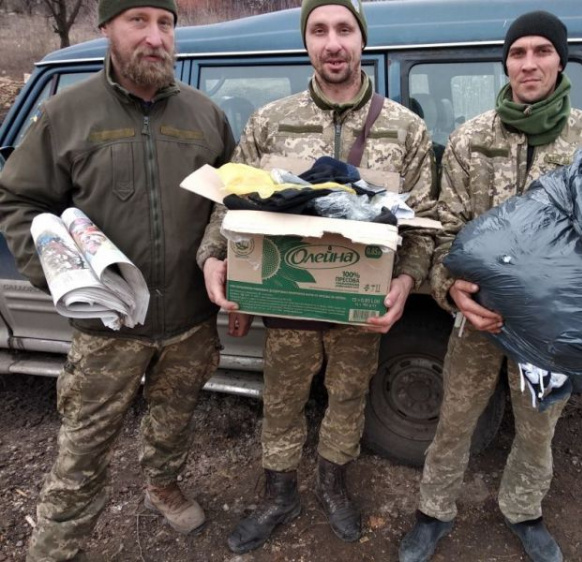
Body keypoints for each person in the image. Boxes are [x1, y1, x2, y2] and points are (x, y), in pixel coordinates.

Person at [197, 0, 436, 554]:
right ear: (306, 42)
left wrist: (408, 282)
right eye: (319, 30)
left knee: (349, 397)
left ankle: (332, 485)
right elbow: (229, 207)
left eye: (344, 29)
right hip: (287, 297)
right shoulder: (269, 122)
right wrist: (214, 257)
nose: (333, 42)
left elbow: (425, 222)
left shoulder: (405, 128)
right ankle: (280, 494)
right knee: (281, 399)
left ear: (361, 39)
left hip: (361, 305)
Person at [0, 0, 236, 559]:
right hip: (109, 327)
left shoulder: (206, 115)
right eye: (138, 21)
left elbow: (234, 207)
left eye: (165, 24)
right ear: (107, 27)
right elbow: (19, 199)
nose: (154, 37)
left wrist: (230, 273)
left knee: (173, 419)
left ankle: (163, 484)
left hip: (188, 320)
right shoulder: (67, 113)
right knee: (82, 447)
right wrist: (55, 276)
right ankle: (58, 542)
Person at [398, 11, 582, 562]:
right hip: (479, 318)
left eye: (542, 52)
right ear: (505, 61)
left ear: (560, 58)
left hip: (551, 329)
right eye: (518, 52)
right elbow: (444, 226)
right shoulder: (471, 138)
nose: (529, 63)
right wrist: (451, 288)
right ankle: (434, 511)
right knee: (454, 419)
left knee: (538, 427)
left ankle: (524, 511)